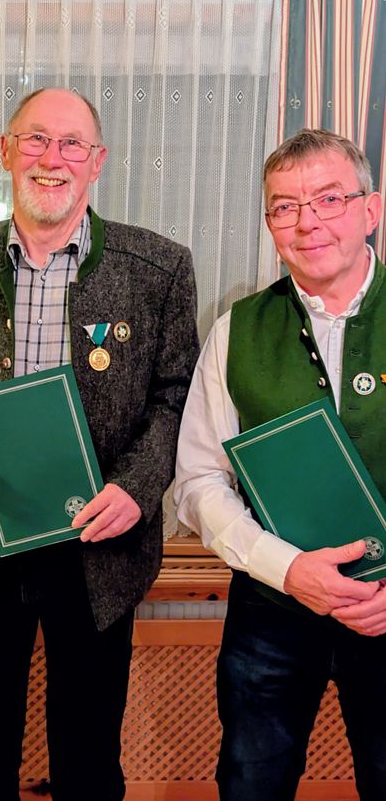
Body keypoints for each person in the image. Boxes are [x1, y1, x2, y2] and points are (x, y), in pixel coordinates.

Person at [0, 87, 200, 800]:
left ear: (96, 162)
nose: (53, 159)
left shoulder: (158, 268)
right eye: (35, 140)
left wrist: (135, 490)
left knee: (90, 758)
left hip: (100, 545)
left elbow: (175, 400)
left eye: (72, 144)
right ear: (6, 153)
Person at [174, 128, 385, 800]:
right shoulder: (236, 329)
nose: (308, 222)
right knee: (251, 786)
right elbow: (198, 481)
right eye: (285, 207)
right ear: (269, 223)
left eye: (328, 199)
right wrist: (289, 570)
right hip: (272, 609)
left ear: (371, 210)